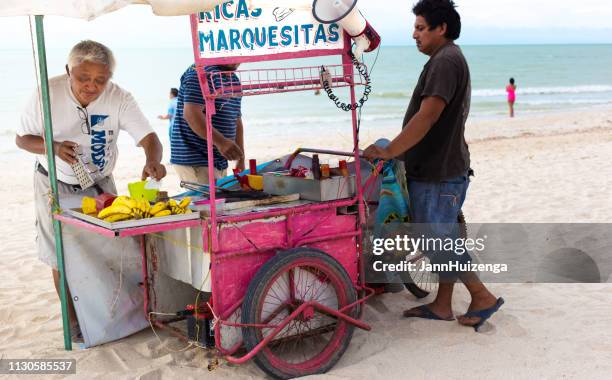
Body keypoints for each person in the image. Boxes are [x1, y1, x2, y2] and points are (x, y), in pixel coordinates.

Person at [363, 0, 503, 331]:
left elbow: (427, 116)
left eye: (421, 28)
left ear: (441, 28)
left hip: (440, 173)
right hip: (440, 167)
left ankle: (481, 296)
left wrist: (390, 151)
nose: (414, 34)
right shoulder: (445, 59)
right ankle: (442, 305)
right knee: (445, 237)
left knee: (436, 242)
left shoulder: (446, 61)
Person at [16, 40, 166, 342]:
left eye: (100, 79)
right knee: (60, 253)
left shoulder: (119, 98)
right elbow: (22, 140)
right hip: (53, 181)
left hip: (99, 183)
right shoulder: (47, 93)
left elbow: (149, 138)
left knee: (108, 248)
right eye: (83, 78)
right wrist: (55, 148)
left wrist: (152, 161)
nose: (91, 86)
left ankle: (116, 316)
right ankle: (72, 322)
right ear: (68, 71)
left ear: (109, 76)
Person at [170, 64, 244, 184]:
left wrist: (241, 158)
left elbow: (237, 120)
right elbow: (191, 114)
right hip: (196, 158)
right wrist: (221, 142)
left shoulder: (233, 79)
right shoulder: (199, 73)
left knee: (221, 200)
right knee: (207, 202)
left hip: (219, 160)